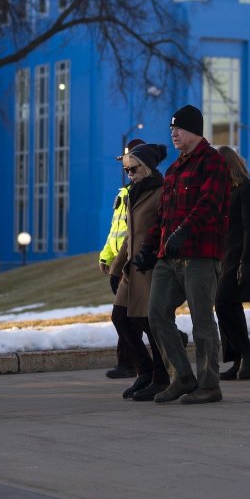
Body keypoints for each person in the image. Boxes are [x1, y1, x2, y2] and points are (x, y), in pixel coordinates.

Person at [134, 105, 230, 404]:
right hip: (168, 256)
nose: (174, 133)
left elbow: (210, 204)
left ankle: (209, 384)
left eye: (180, 129)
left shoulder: (212, 162)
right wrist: (149, 248)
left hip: (200, 254)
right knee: (157, 314)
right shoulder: (174, 169)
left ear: (196, 131)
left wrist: (184, 232)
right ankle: (182, 377)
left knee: (202, 320)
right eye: (172, 129)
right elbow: (163, 216)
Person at [109, 143, 170, 401]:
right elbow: (129, 235)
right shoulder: (134, 192)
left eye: (133, 169)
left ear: (146, 167)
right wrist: (115, 267)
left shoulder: (161, 192)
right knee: (120, 317)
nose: (130, 175)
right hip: (131, 268)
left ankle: (162, 377)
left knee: (148, 322)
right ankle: (144, 371)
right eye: (126, 171)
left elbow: (162, 230)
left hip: (150, 267)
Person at [215, 146, 250, 381]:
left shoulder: (247, 190)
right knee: (230, 306)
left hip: (240, 254)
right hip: (223, 255)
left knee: (223, 302)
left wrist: (247, 261)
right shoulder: (223, 191)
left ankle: (246, 353)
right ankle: (238, 359)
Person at [100, 138, 144, 379]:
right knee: (129, 315)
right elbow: (115, 230)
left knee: (128, 315)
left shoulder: (141, 192)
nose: (127, 170)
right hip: (118, 263)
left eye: (131, 166)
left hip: (131, 263)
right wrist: (106, 257)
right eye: (125, 166)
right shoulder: (123, 193)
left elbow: (135, 233)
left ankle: (129, 363)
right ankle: (129, 362)